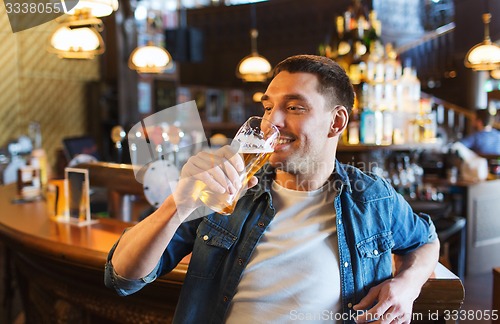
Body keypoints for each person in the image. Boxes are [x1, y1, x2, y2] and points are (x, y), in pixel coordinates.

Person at [105, 55, 439, 324]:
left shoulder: (371, 196)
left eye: (294, 107)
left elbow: (426, 241)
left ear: (336, 122)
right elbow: (122, 277)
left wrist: (407, 285)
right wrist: (178, 203)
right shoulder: (227, 189)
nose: (271, 121)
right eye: (267, 107)